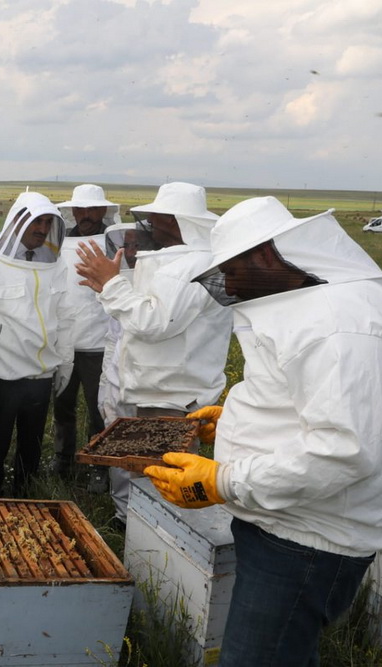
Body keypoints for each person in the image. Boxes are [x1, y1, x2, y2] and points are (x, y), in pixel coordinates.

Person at [144, 196, 382, 666]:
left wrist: (221, 480)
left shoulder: (339, 325)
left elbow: (342, 451)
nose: (225, 283)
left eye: (229, 270)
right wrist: (231, 421)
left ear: (266, 254)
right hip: (283, 522)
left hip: (307, 541)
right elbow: (305, 405)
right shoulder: (313, 306)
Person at [76, 182, 232, 525]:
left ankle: (161, 559)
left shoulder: (193, 265)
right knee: (148, 480)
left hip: (174, 399)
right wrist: (108, 287)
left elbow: (154, 321)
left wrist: (112, 285)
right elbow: (147, 311)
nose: (149, 225)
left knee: (167, 489)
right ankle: (139, 538)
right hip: (161, 390)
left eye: (156, 218)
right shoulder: (177, 262)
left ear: (174, 222)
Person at [0, 191, 73, 497]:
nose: (42, 228)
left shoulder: (56, 265)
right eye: (36, 221)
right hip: (3, 374)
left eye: (48, 222)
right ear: (17, 222)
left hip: (41, 374)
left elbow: (65, 318)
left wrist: (66, 361)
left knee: (32, 445)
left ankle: (24, 497)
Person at [51, 185, 121, 490]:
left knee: (99, 408)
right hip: (64, 339)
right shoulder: (60, 239)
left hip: (98, 342)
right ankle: (62, 458)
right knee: (62, 405)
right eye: (80, 210)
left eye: (92, 210)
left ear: (104, 211)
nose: (86, 215)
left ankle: (99, 467)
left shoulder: (113, 242)